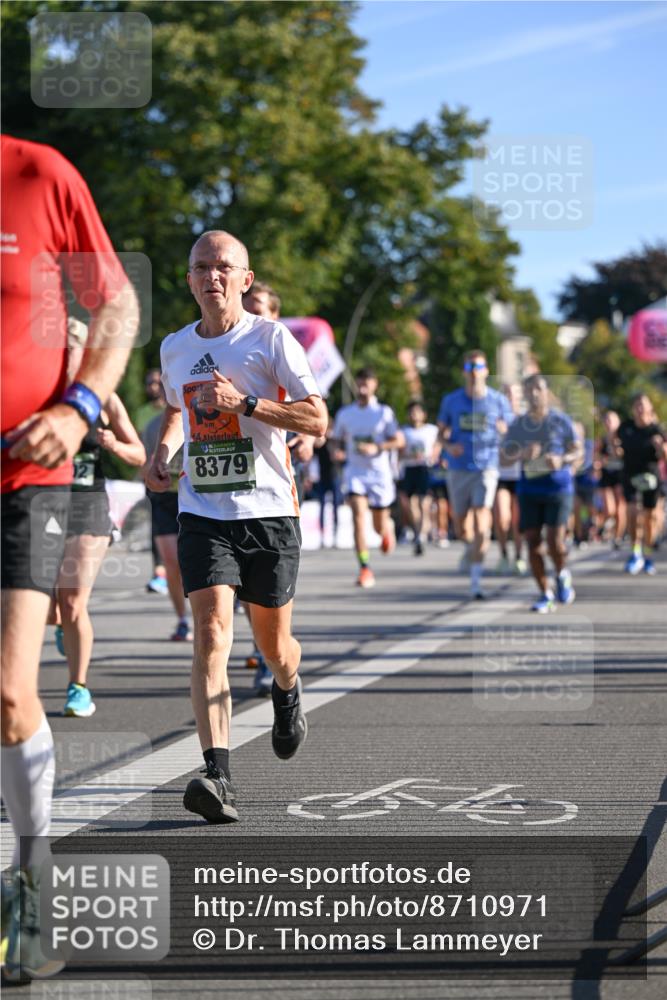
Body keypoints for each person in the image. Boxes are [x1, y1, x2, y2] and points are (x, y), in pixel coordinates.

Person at [1, 134, 137, 981]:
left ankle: (32, 885)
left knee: (10, 688)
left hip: (30, 469)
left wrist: (83, 403)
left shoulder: (38, 173)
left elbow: (115, 305)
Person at [145, 230, 327, 824]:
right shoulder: (174, 347)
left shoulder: (271, 338)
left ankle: (288, 686)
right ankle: (217, 774)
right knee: (212, 634)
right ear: (190, 278)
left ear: (245, 280)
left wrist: (245, 405)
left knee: (275, 647)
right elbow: (177, 408)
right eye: (202, 267)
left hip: (270, 512)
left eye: (224, 267)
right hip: (203, 512)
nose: (212, 277)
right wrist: (164, 453)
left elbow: (315, 419)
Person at [54, 320, 145, 717]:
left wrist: (112, 443)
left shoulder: (103, 396)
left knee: (73, 601)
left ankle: (78, 688)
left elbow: (138, 454)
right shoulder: (36, 394)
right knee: (44, 607)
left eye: (75, 346)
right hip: (40, 505)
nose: (69, 354)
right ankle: (61, 624)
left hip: (88, 506)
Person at [240, 280, 318, 694]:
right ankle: (262, 649)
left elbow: (316, 417)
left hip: (277, 481)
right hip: (228, 488)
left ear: (274, 314)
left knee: (269, 586)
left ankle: (271, 653)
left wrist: (307, 439)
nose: (251, 314)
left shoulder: (281, 348)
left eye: (260, 309)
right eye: (247, 306)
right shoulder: (230, 349)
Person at [501, 374, 582, 613]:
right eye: (530, 390)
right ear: (525, 395)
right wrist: (521, 455)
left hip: (558, 487)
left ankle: (561, 573)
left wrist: (562, 459)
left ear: (546, 392)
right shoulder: (518, 425)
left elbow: (577, 451)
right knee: (532, 543)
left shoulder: (560, 420)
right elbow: (502, 458)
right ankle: (545, 593)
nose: (534, 393)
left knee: (555, 542)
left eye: (538, 388)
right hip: (529, 488)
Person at [437, 350, 512, 599]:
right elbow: (440, 434)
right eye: (469, 368)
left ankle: (476, 581)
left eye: (478, 367)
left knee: (482, 519)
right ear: (464, 372)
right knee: (461, 526)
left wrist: (504, 431)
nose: (474, 373)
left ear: (486, 371)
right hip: (458, 467)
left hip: (486, 467)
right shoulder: (451, 401)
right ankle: (469, 548)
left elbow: (512, 433)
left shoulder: (498, 401)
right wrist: (449, 447)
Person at [331, 368, 404, 588]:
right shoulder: (346, 414)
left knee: (377, 526)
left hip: (380, 474)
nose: (363, 386)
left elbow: (399, 441)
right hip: (356, 473)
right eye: (360, 382)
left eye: (367, 382)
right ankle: (364, 568)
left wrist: (378, 447)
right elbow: (336, 440)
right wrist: (336, 451)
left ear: (375, 385)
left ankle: (386, 530)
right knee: (358, 517)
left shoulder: (383, 413)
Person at [141, 410, 191, 641]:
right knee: (171, 561)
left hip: (193, 496)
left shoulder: (199, 414)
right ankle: (183, 619)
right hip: (163, 498)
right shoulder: (153, 426)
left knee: (197, 560)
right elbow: (143, 463)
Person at [619, 394, 667, 576]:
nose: (640, 409)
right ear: (633, 409)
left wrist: (661, 448)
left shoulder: (656, 430)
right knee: (631, 511)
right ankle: (635, 552)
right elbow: (617, 449)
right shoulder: (625, 428)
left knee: (650, 519)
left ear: (649, 409)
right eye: (637, 405)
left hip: (651, 477)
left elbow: (665, 458)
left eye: (643, 405)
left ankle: (647, 555)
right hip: (630, 475)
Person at [135, 369, 170, 595]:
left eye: (157, 383)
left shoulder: (176, 410)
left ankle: (174, 572)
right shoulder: (143, 413)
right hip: (152, 475)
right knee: (157, 526)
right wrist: (143, 470)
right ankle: (159, 572)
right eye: (149, 383)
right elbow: (138, 445)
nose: (153, 387)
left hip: (176, 477)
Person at [398, 400, 440, 556]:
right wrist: (410, 455)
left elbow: (438, 444)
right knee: (411, 505)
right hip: (409, 469)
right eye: (411, 412)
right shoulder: (404, 431)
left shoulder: (431, 430)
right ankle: (417, 533)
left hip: (425, 468)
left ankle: (421, 536)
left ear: (424, 415)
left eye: (417, 411)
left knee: (425, 504)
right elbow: (399, 451)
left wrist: (433, 455)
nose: (414, 415)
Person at [493, 383, 526, 575]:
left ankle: (519, 556)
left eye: (514, 394)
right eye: (506, 394)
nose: (510, 398)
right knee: (502, 518)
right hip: (501, 476)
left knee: (518, 520)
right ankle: (504, 554)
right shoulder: (494, 419)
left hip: (520, 475)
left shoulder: (524, 421)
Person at [597, 410, 626, 548]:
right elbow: (596, 456)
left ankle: (618, 537)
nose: (608, 423)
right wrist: (598, 462)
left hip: (620, 474)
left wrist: (614, 442)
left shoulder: (622, 437)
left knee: (620, 507)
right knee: (609, 508)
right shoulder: (602, 439)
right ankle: (608, 524)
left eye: (611, 420)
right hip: (607, 474)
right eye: (606, 420)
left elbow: (622, 454)